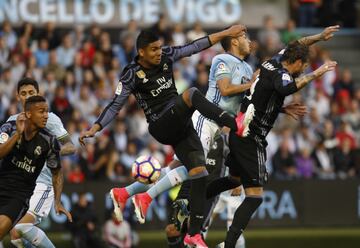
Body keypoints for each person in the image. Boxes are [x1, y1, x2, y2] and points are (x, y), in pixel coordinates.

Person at [79, 25, 249, 247]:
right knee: (191, 94)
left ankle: (194, 234)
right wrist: (96, 127)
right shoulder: (131, 74)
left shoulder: (167, 55)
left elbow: (195, 46)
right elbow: (115, 104)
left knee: (199, 173)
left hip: (181, 125)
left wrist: (226, 32)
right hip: (161, 123)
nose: (159, 52)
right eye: (153, 50)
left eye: (159, 48)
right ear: (141, 52)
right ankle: (231, 121)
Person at [209, 25, 339, 248]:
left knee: (234, 180)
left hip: (239, 133)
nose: (303, 69)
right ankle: (229, 245)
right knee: (255, 197)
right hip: (252, 138)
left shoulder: (272, 62)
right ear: (297, 63)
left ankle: (199, 195)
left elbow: (296, 46)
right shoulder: (281, 74)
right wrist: (317, 73)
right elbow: (287, 88)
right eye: (303, 66)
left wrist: (319, 37)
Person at [9, 78, 76, 248]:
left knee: (20, 228)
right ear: (18, 97)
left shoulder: (50, 119)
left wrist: (52, 152)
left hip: (43, 184)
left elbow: (71, 146)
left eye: (31, 93)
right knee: (14, 235)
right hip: (20, 185)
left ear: (38, 94)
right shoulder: (12, 121)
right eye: (23, 94)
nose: (27, 96)